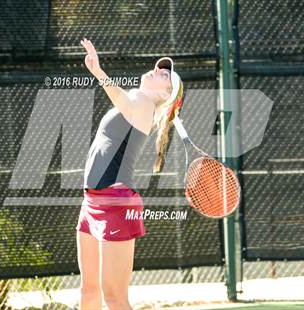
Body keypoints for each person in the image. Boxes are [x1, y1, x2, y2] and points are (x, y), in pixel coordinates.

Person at [76, 37, 184, 310]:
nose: (157, 71)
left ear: (165, 94)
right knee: (89, 290)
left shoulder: (142, 100)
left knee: (114, 298)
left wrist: (98, 71)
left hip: (115, 203)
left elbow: (122, 99)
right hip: (92, 201)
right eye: (159, 68)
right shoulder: (140, 103)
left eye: (164, 75)